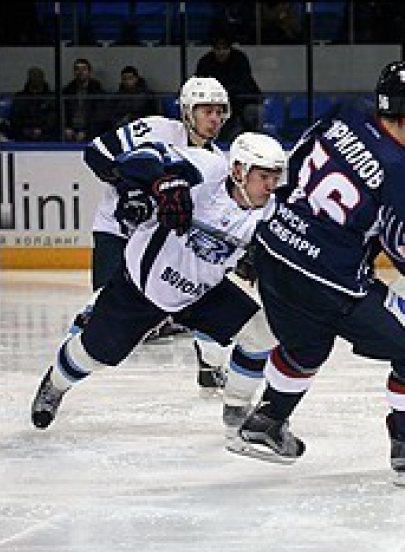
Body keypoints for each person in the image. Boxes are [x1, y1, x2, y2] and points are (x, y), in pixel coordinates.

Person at [227, 60, 405, 488]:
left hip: (272, 252)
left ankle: (267, 422)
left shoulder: (344, 113)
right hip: (331, 282)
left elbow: (292, 170)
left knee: (306, 345)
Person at [31, 132, 288, 434]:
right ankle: (55, 384)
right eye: (264, 176)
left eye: (276, 177)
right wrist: (163, 182)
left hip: (202, 292)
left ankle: (236, 409)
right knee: (93, 353)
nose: (271, 186)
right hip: (141, 288)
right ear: (238, 171)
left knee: (262, 336)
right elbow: (139, 156)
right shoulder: (207, 170)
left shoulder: (271, 212)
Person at [82, 76, 232, 392]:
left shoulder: (220, 163)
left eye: (220, 111)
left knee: (205, 301)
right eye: (207, 110)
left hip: (162, 245)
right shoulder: (155, 129)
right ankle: (61, 377)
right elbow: (96, 153)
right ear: (189, 111)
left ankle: (209, 365)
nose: (215, 119)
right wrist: (129, 189)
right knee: (99, 311)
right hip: (119, 230)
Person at [195, 30, 262, 142]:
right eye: (218, 49)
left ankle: (253, 142)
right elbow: (198, 84)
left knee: (253, 112)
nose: (221, 52)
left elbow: (245, 84)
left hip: (241, 102)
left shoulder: (240, 59)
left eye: (224, 48)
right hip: (215, 103)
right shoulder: (205, 62)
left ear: (230, 48)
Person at [62, 58, 108, 142]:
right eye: (77, 69)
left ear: (89, 72)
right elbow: (63, 113)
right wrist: (66, 128)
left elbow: (100, 116)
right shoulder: (68, 90)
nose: (80, 72)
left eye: (83, 69)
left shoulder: (97, 91)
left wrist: (86, 131)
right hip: (71, 131)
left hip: (91, 131)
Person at [8, 66, 58, 142]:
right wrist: (24, 129)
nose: (35, 79)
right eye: (33, 76)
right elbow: (14, 116)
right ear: (29, 78)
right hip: (23, 132)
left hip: (45, 133)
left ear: (42, 78)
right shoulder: (20, 96)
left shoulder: (51, 97)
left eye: (38, 76)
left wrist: (42, 129)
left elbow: (53, 117)